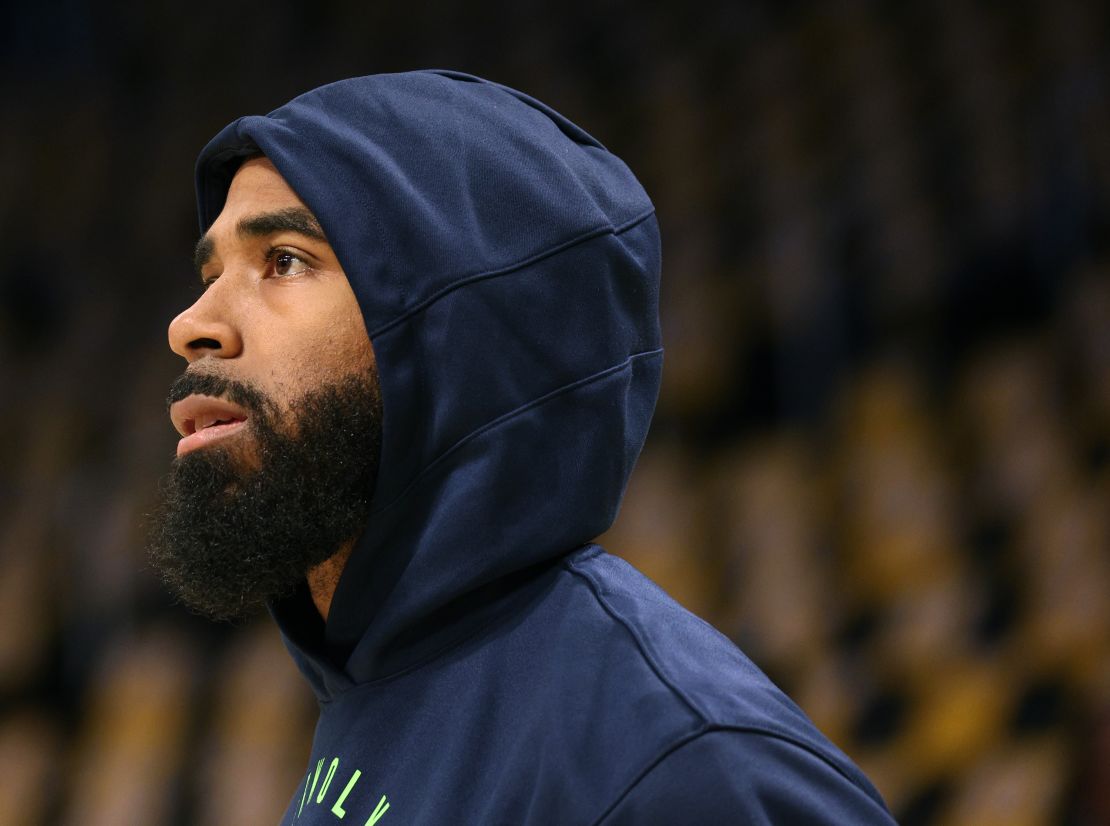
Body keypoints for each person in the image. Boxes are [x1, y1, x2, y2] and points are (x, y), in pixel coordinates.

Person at [150, 70, 896, 824]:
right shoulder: (378, 686)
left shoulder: (671, 762)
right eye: (210, 272)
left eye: (284, 260)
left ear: (455, 338)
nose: (191, 324)